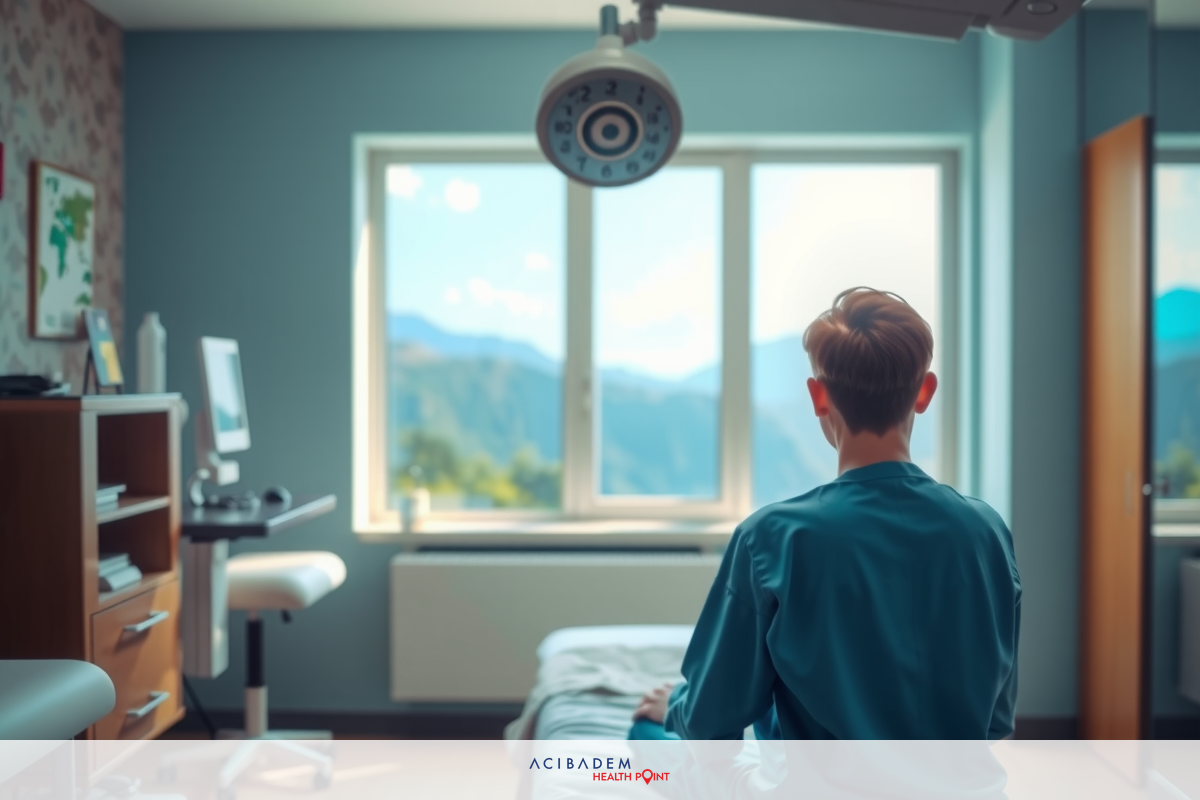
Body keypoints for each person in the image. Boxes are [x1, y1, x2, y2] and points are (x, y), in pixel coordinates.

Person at [630, 287, 1021, 740]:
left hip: (820, 777)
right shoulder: (987, 532)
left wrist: (676, 707)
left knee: (644, 733)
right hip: (958, 777)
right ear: (924, 391)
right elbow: (997, 721)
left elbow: (709, 722)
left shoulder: (771, 538)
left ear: (818, 397)